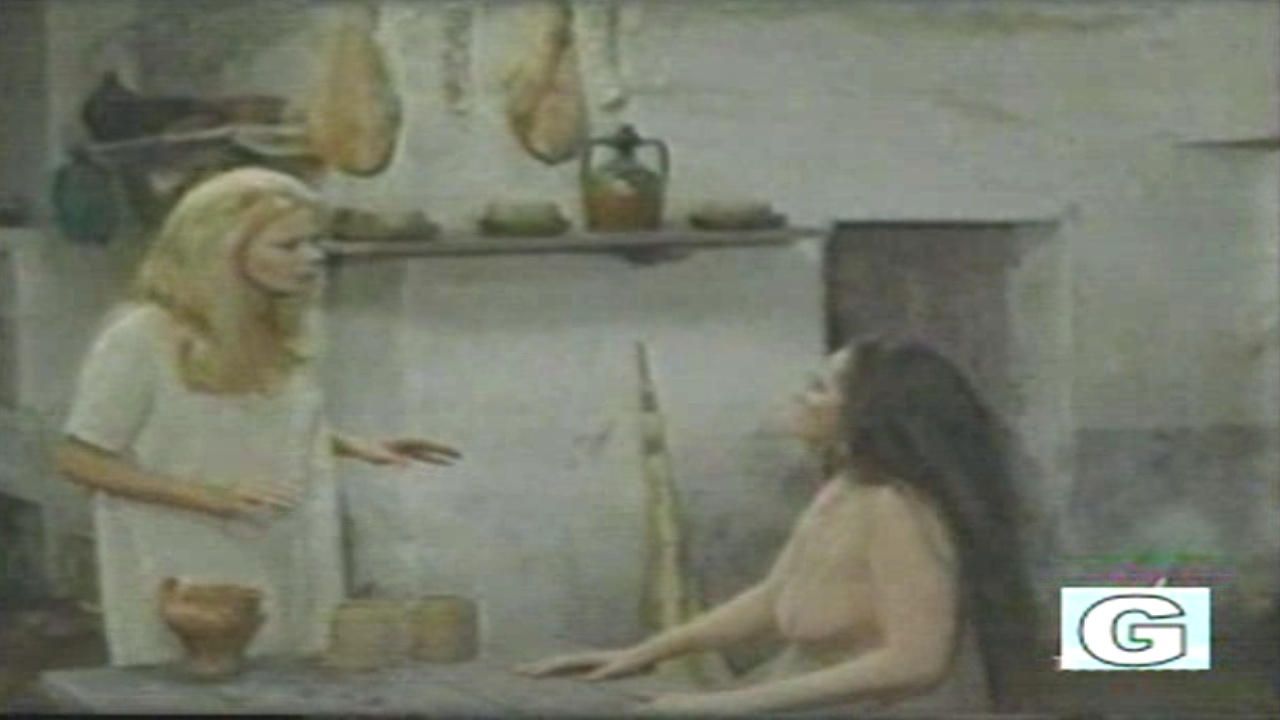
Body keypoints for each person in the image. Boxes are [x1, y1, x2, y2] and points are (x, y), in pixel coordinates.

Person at [52, 167, 462, 667]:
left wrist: (353, 445)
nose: (312, 258)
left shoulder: (280, 328)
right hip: (188, 566)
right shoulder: (142, 337)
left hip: (287, 548)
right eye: (288, 246)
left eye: (313, 242)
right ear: (222, 250)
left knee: (293, 675)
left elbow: (241, 420)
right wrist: (215, 499)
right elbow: (80, 459)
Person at [517, 335, 1043, 715]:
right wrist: (643, 653)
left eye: (818, 389)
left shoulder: (895, 507)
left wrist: (734, 705)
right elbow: (775, 597)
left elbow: (916, 661)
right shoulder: (845, 488)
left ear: (864, 415)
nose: (799, 397)